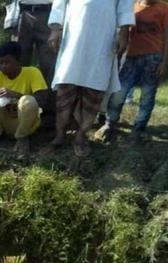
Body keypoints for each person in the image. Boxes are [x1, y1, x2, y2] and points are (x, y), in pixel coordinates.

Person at [46, 0, 135, 159]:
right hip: (73, 37)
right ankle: (59, 135)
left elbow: (125, 5)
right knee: (65, 85)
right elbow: (59, 3)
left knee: (95, 87)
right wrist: (55, 29)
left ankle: (81, 136)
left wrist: (123, 33)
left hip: (103, 39)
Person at [96, 0, 168, 146]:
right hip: (132, 57)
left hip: (153, 58)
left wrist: (164, 62)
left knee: (147, 96)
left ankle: (138, 129)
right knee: (119, 93)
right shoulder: (131, 6)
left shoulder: (166, 9)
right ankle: (109, 123)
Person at [0, 40, 49, 157]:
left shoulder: (32, 72)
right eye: (1, 62)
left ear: (18, 61)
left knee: (28, 101)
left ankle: (22, 137)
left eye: (7, 62)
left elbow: (43, 100)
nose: (3, 66)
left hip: (24, 123)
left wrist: (16, 95)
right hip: (5, 120)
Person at [16, 0, 57, 119]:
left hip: (47, 13)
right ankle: (16, 108)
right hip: (22, 12)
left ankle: (49, 112)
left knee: (49, 65)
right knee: (18, 62)